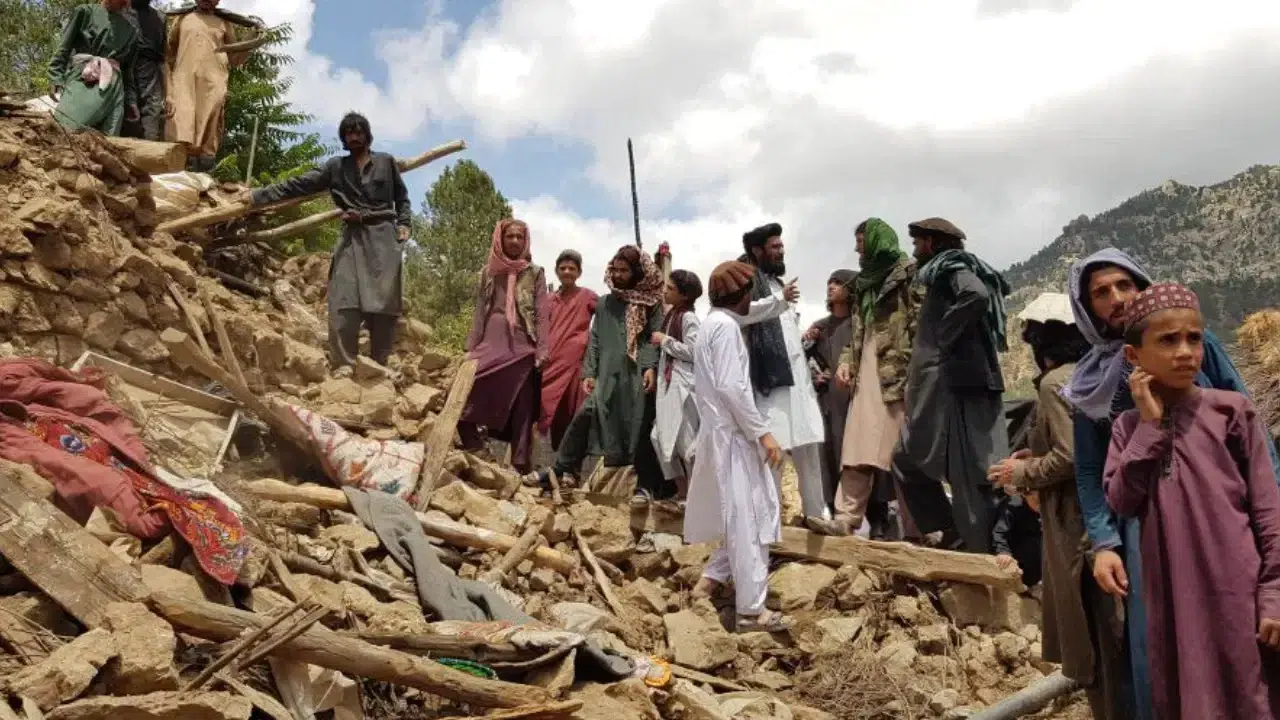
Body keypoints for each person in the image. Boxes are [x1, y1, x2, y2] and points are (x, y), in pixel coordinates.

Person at [1064, 248, 1280, 720]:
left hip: (1231, 543)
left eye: (1125, 285)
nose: (1116, 298)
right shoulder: (1091, 386)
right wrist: (1104, 541)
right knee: (1168, 654)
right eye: (1101, 292)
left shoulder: (1225, 402)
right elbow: (1094, 473)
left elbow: (1260, 471)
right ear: (1087, 307)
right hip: (1151, 537)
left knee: (1246, 670)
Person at [988, 294, 1127, 718]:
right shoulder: (1098, 374)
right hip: (1104, 520)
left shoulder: (1054, 384)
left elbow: (1070, 456)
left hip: (1076, 528)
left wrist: (1021, 473)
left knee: (1095, 642)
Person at [247, 113, 411, 370]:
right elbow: (299, 184)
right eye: (349, 133)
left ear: (367, 135)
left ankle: (379, 365)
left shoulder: (385, 162)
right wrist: (257, 196)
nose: (354, 137)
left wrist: (404, 224)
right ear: (344, 138)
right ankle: (344, 364)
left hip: (384, 237)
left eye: (358, 132)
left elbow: (402, 198)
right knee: (343, 298)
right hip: (353, 237)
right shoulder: (335, 167)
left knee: (384, 303)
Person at [893, 217, 1010, 553]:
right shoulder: (941, 274)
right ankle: (950, 530)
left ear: (931, 243)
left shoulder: (952, 267)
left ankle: (979, 555)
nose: (915, 250)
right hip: (945, 389)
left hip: (957, 390)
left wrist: (944, 333)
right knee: (905, 457)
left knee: (968, 476)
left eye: (918, 243)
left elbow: (976, 294)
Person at [686, 261, 788, 632]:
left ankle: (709, 582)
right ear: (741, 295)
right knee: (751, 521)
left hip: (722, 435)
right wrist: (762, 432)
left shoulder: (712, 324)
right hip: (734, 437)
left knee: (739, 516)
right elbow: (732, 387)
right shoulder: (726, 328)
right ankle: (751, 610)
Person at [523, 246, 665, 490]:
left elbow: (654, 337)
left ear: (636, 272)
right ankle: (560, 468)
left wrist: (650, 367)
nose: (618, 275)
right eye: (615, 270)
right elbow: (595, 338)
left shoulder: (651, 303)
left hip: (636, 374)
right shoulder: (605, 303)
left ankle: (645, 487)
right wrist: (589, 372)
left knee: (638, 424)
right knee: (587, 413)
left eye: (624, 271)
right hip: (608, 373)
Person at [826, 219, 925, 540]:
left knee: (905, 455)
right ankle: (846, 518)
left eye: (862, 242)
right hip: (867, 373)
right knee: (857, 448)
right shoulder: (863, 285)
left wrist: (918, 374)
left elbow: (921, 325)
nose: (858, 249)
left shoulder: (908, 275)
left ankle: (919, 529)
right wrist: (846, 362)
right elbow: (858, 332)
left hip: (899, 374)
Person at [736, 222, 829, 528]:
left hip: (797, 383)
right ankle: (770, 524)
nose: (781, 251)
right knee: (772, 452)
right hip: (769, 385)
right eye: (774, 247)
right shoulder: (747, 281)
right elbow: (742, 314)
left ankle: (815, 515)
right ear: (757, 251)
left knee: (808, 447)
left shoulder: (777, 284)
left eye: (781, 246)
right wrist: (779, 301)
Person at [457, 219, 547, 475]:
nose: (515, 241)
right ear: (500, 239)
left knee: (523, 402)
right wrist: (471, 347)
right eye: (510, 236)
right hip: (491, 339)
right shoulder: (488, 272)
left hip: (523, 343)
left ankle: (519, 464)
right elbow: (480, 310)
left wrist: (542, 349)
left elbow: (542, 313)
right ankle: (474, 445)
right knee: (468, 387)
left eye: (520, 237)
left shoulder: (535, 273)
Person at [165, 0, 261, 171]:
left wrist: (252, 37)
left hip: (214, 83)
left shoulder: (224, 22)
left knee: (210, 123)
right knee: (181, 122)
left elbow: (235, 58)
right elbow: (169, 53)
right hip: (184, 80)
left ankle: (205, 166)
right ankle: (181, 164)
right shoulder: (182, 18)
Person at [802, 269, 859, 524]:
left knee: (855, 455)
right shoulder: (820, 328)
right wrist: (816, 376)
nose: (831, 286)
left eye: (838, 282)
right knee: (828, 453)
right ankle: (831, 512)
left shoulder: (860, 324)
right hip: (827, 400)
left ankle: (877, 518)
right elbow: (803, 360)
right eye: (829, 282)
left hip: (854, 400)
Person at [645, 270, 702, 507]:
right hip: (668, 387)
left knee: (686, 444)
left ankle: (696, 498)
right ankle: (682, 491)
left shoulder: (688, 319)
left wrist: (665, 341)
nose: (665, 291)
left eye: (670, 288)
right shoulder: (670, 317)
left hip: (684, 388)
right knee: (659, 437)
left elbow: (695, 352)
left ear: (684, 295)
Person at [48, 0, 140, 136]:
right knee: (63, 132)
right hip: (86, 79)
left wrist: (131, 100)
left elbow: (128, 71)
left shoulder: (131, 30)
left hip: (115, 91)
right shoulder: (85, 12)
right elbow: (64, 47)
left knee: (107, 144)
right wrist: (55, 76)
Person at [538, 250, 598, 451]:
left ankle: (568, 463)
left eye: (572, 268)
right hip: (550, 363)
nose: (567, 272)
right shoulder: (548, 300)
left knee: (572, 412)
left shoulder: (587, 296)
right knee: (543, 407)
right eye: (563, 268)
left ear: (579, 273)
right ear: (556, 271)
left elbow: (608, 314)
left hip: (575, 366)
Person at [121, 0, 165, 140]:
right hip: (122, 73)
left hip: (151, 77)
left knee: (150, 130)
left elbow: (163, 60)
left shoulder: (160, 18)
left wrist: (169, 94)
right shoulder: (118, 12)